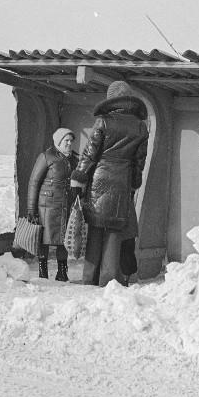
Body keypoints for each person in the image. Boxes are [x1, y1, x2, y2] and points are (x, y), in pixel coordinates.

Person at [70, 81, 149, 287]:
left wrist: (78, 178)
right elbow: (139, 162)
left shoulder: (104, 121)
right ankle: (109, 282)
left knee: (96, 230)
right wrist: (133, 184)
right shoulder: (141, 126)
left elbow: (90, 154)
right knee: (114, 233)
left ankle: (89, 279)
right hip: (122, 184)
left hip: (98, 180)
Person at [26, 127, 78, 281]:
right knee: (45, 238)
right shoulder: (46, 156)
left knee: (64, 238)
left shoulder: (75, 159)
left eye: (71, 141)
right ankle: (43, 271)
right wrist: (31, 208)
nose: (69, 143)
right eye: (66, 140)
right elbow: (34, 182)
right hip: (47, 205)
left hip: (66, 204)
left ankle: (62, 272)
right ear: (58, 141)